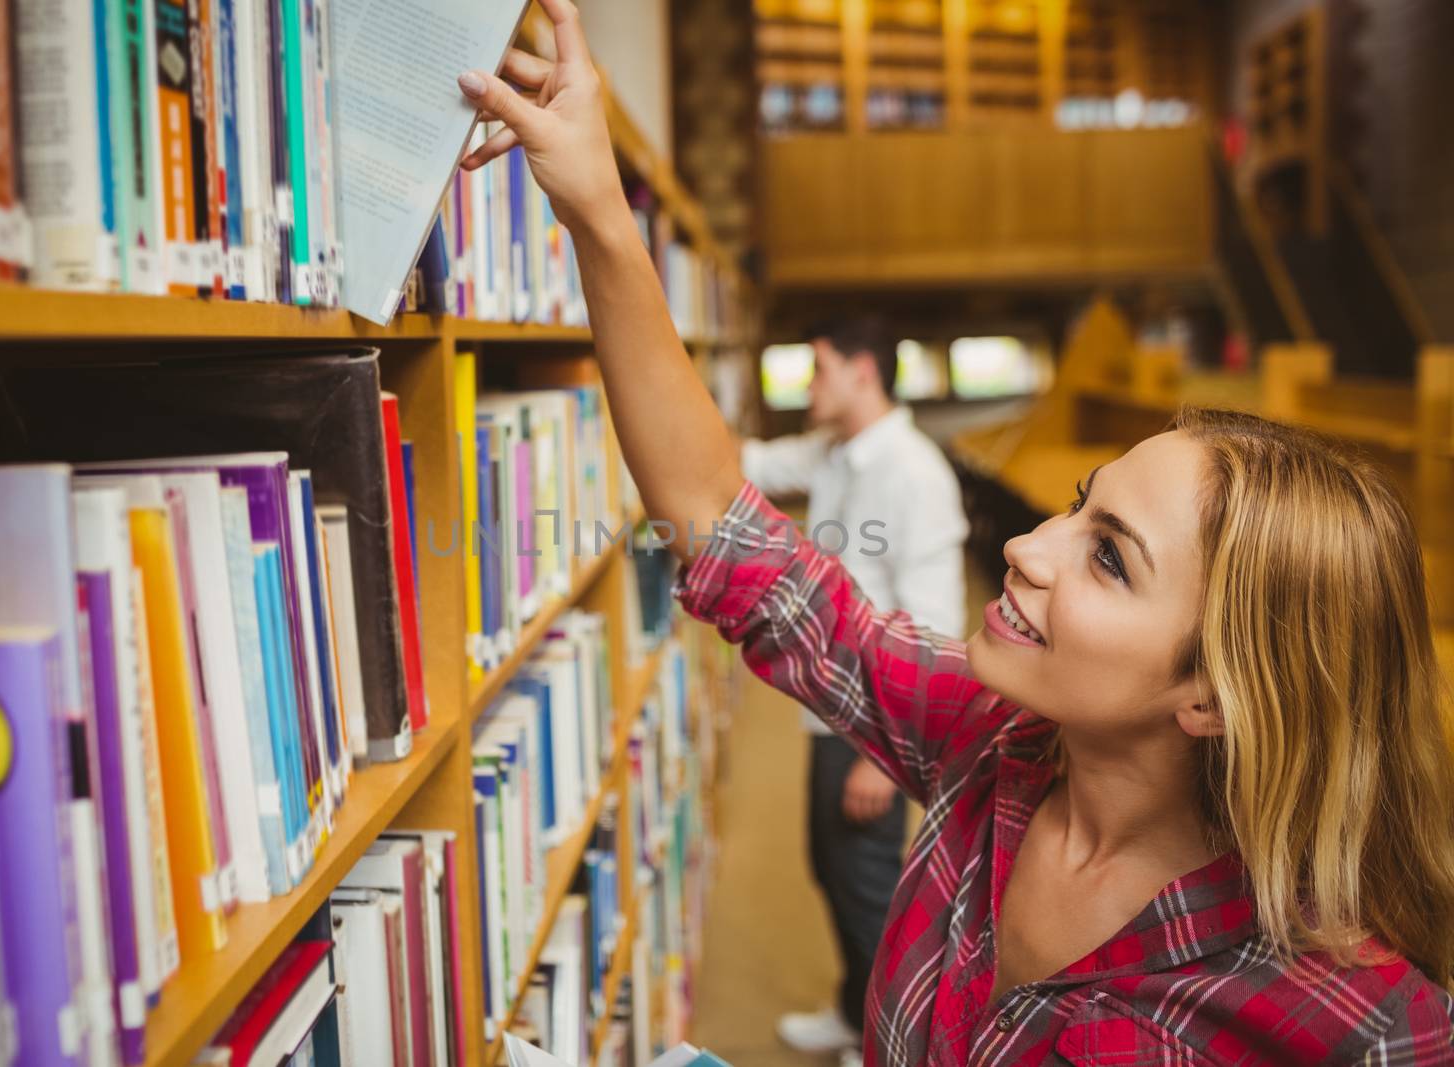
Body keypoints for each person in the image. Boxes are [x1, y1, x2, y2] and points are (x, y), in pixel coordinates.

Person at [455, 5, 1454, 1063]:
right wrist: (602, 215)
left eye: (1108, 555)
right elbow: (734, 540)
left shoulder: (1356, 1020)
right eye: (1077, 506)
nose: (1026, 546)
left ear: (1212, 692)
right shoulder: (1001, 744)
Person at [741, 318, 967, 1064]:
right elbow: (750, 463)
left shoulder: (914, 471)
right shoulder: (835, 450)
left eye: (819, 370)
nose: (810, 387)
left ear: (862, 371)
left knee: (868, 882)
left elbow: (937, 623)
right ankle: (852, 1009)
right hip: (828, 708)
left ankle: (891, 1044)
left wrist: (883, 752)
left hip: (874, 723)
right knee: (828, 860)